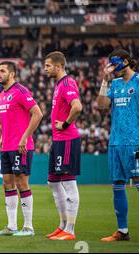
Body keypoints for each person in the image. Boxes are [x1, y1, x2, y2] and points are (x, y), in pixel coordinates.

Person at [97, 49, 139, 244]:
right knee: (117, 186)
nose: (112, 68)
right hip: (115, 142)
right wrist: (104, 80)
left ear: (125, 61)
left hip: (135, 141)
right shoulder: (113, 83)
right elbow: (102, 105)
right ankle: (122, 231)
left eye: (114, 64)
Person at [0, 61, 43, 237]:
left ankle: (28, 226)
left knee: (22, 183)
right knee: (7, 183)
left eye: (2, 71)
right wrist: (1, 138)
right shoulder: (2, 94)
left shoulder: (21, 91)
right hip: (7, 146)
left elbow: (38, 113)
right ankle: (11, 226)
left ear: (12, 74)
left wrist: (24, 137)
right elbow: (9, 121)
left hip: (21, 146)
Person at [43, 51, 83, 241]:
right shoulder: (59, 84)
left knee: (68, 183)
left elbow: (77, 107)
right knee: (52, 182)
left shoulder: (67, 83)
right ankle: (62, 225)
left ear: (58, 66)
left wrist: (66, 124)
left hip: (67, 138)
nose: (45, 69)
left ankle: (70, 230)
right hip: (58, 140)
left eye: (48, 66)